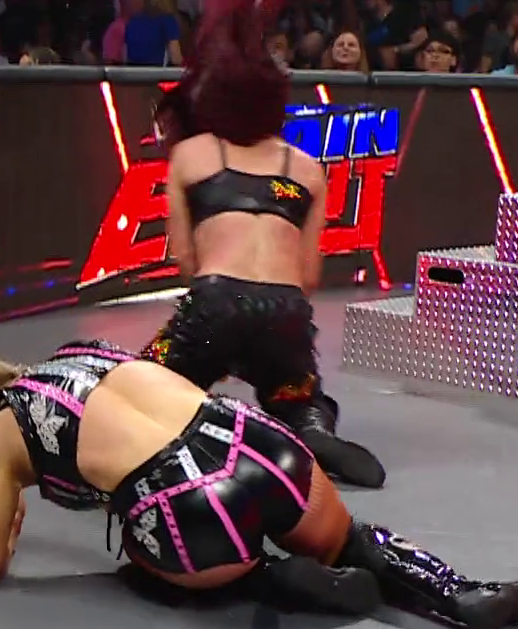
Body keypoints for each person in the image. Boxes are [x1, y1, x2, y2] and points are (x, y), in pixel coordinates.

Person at [0, 341, 518, 629]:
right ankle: (463, 594)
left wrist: (3, 504)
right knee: (347, 537)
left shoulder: (2, 434)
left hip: (187, 503)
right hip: (258, 442)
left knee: (141, 563)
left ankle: (273, 580)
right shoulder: (79, 354)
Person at [143, 0, 386, 489]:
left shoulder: (192, 154)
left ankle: (192, 421)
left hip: (215, 303)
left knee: (142, 383)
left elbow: (184, 262)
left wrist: (221, 333)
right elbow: (308, 276)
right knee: (298, 392)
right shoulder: (306, 168)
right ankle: (311, 428)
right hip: (285, 310)